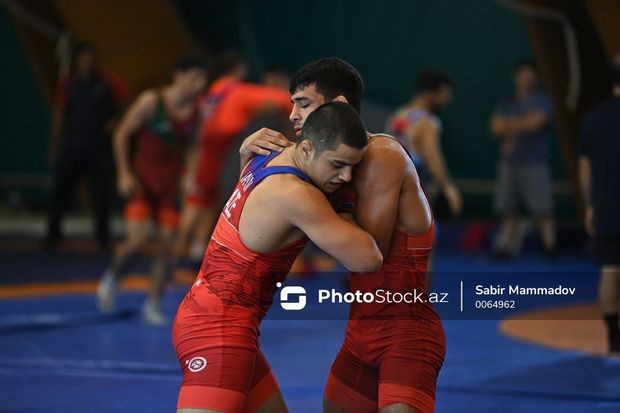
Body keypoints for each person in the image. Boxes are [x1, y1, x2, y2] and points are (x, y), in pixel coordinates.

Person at [241, 57, 445, 413]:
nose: (292, 115)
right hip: (359, 334)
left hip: (404, 336)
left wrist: (303, 196)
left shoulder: (381, 155)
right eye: (292, 103)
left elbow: (369, 254)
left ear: (338, 105)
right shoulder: (323, 161)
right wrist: (249, 158)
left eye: (302, 103)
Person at [172, 102, 383, 412]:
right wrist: (346, 202)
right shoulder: (296, 194)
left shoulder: (264, 156)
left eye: (354, 167)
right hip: (218, 331)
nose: (347, 176)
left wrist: (245, 154)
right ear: (308, 149)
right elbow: (368, 259)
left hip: (215, 319)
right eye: (338, 164)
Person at [96, 55, 208, 325]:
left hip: (169, 188)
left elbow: (194, 145)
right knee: (136, 242)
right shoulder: (151, 101)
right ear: (178, 76)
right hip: (142, 184)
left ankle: (152, 305)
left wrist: (190, 174)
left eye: (203, 80)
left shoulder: (197, 111)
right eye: (194, 78)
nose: (199, 84)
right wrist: (123, 172)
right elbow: (121, 133)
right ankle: (112, 277)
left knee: (167, 248)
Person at [178, 51, 292, 262]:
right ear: (239, 69)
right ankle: (172, 258)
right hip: (206, 161)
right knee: (195, 209)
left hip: (210, 158)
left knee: (208, 206)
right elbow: (282, 99)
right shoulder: (235, 90)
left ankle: (194, 254)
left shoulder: (214, 90)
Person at [45, 42, 130, 250]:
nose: (87, 61)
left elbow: (129, 97)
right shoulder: (69, 83)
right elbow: (59, 114)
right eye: (83, 57)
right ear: (76, 59)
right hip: (73, 143)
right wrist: (55, 145)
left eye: (90, 56)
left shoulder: (105, 80)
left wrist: (116, 120)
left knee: (101, 192)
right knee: (61, 190)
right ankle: (52, 234)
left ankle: (103, 237)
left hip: (98, 146)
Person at [489, 61, 556, 259]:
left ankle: (550, 247)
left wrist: (509, 126)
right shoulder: (507, 102)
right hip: (510, 163)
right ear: (515, 78)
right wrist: (522, 123)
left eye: (530, 75)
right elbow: (495, 127)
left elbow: (536, 123)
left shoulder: (543, 102)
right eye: (522, 75)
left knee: (542, 208)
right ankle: (505, 246)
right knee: (508, 208)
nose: (526, 78)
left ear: (535, 78)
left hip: (535, 162)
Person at [579, 57, 620, 355]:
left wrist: (590, 204)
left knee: (609, 268)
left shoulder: (593, 118)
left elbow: (585, 168)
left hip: (607, 204)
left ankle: (613, 337)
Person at [385, 70, 462, 217]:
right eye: (445, 94)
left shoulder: (397, 114)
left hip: (392, 187)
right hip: (415, 190)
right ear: (431, 93)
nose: (448, 99)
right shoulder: (428, 122)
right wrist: (448, 188)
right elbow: (433, 158)